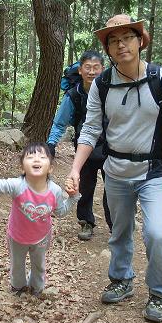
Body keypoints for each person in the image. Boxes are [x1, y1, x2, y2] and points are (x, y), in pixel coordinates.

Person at [66, 14, 162, 323]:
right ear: (108, 48)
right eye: (114, 40)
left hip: (154, 170)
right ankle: (121, 280)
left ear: (140, 41)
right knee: (119, 232)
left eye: (127, 38)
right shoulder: (103, 84)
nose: (121, 45)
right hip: (117, 170)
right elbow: (90, 130)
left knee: (157, 233)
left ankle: (160, 293)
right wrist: (76, 169)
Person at [0, 142, 80, 295]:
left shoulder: (55, 191)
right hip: (17, 237)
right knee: (17, 264)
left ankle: (36, 288)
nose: (36, 159)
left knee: (39, 265)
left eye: (42, 157)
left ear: (50, 167)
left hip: (42, 238)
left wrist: (72, 197)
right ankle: (18, 287)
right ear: (22, 167)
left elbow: (60, 212)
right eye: (30, 156)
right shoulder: (17, 185)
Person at [46, 51, 111, 241]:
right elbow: (60, 123)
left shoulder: (111, 91)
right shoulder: (74, 95)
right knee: (85, 185)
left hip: (111, 147)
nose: (92, 72)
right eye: (87, 68)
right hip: (86, 148)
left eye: (96, 68)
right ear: (80, 70)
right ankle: (86, 222)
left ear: (102, 70)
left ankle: (116, 225)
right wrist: (51, 144)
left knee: (114, 188)